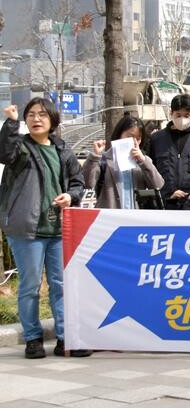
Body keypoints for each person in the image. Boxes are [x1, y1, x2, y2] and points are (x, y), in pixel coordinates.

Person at [0, 98, 90, 358]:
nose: (35, 119)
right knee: (29, 286)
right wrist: (11, 122)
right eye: (31, 115)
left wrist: (71, 197)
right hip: (26, 228)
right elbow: (4, 153)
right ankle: (32, 338)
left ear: (52, 120)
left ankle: (65, 338)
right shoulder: (20, 147)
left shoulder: (63, 149)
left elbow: (77, 182)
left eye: (42, 115)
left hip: (58, 228)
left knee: (60, 284)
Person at [149, 94, 190, 209]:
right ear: (171, 114)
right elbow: (150, 171)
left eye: (186, 115)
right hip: (163, 202)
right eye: (178, 115)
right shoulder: (157, 138)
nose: (182, 119)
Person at [84, 114, 164, 209]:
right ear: (119, 134)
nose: (134, 141)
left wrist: (143, 161)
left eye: (138, 138)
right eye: (130, 136)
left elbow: (158, 185)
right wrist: (95, 156)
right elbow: (88, 183)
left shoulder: (143, 160)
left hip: (135, 217)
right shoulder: (104, 159)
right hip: (110, 218)